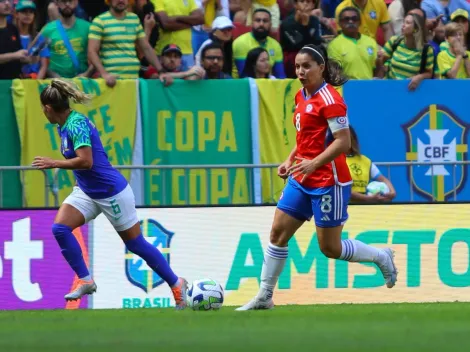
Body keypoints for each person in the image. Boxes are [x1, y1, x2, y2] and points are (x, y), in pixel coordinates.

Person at [236, 44, 397, 311]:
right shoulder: (301, 96)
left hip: (328, 181)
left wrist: (313, 164)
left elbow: (343, 143)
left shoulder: (331, 100)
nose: (300, 71)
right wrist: (291, 159)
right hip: (302, 177)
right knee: (277, 233)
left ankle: (381, 256)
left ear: (321, 68)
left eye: (306, 66)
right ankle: (265, 295)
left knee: (330, 248)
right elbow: (306, 139)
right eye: (297, 66)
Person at [31, 79, 188, 309]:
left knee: (136, 245)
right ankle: (85, 280)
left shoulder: (76, 125)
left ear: (47, 108)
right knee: (60, 228)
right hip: (87, 191)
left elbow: (86, 161)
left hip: (111, 192)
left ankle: (177, 284)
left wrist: (53, 162)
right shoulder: (62, 125)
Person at [347, 125, 396, 203]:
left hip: (364, 207)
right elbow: (343, 191)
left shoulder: (365, 160)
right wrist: (367, 198)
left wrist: (392, 192)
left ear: (353, 138)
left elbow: (383, 179)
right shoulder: (334, 160)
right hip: (343, 207)